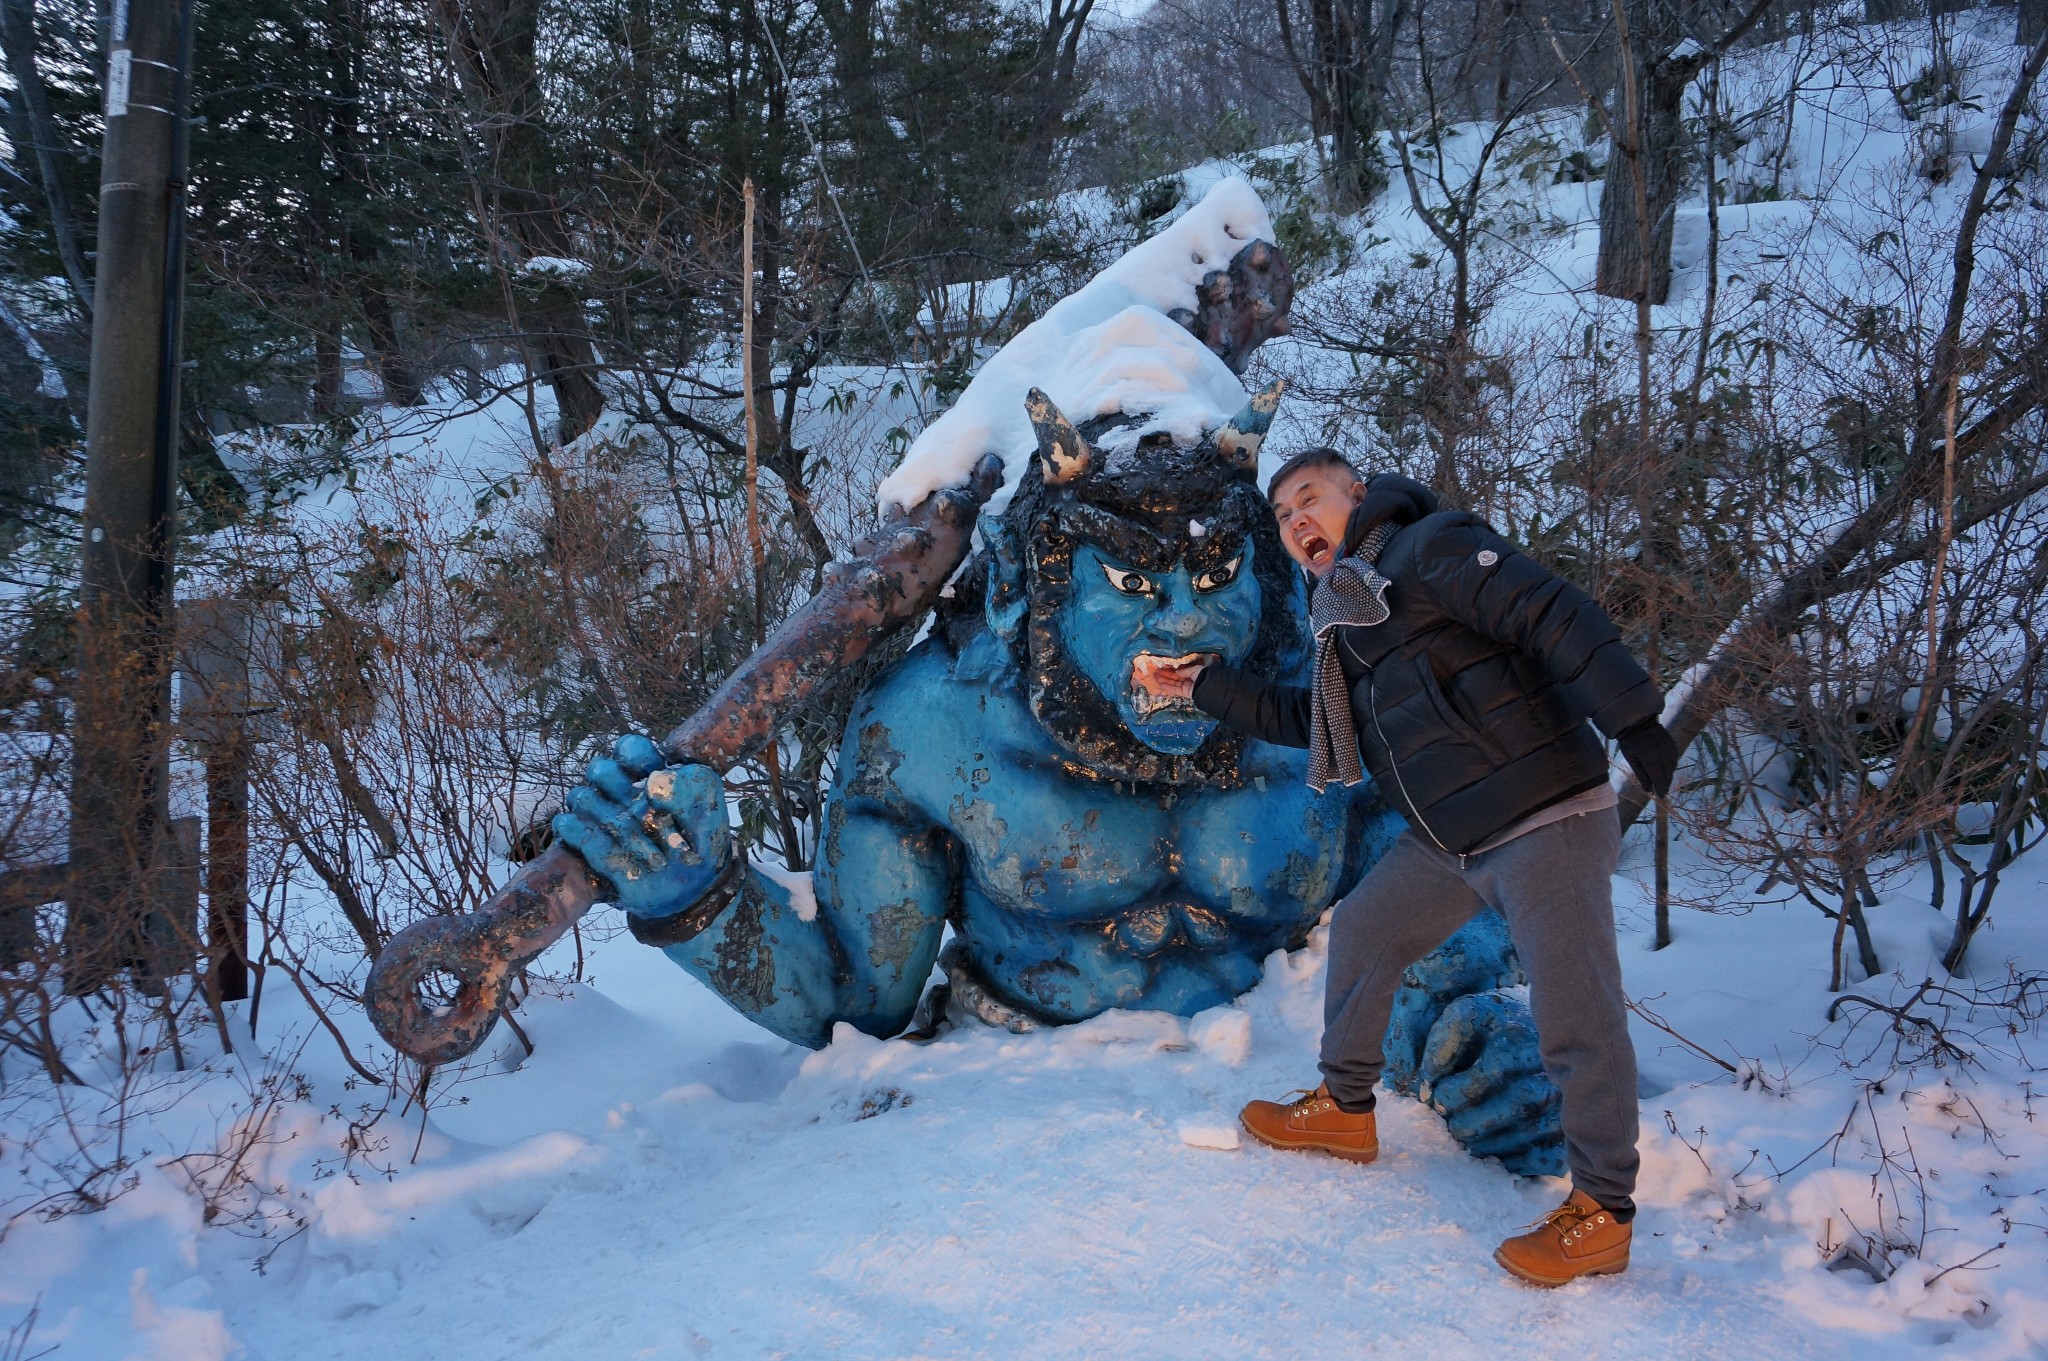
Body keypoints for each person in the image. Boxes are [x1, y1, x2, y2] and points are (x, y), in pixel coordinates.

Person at [1132, 447, 1678, 1288]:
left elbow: (1543, 606)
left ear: (1359, 494)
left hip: (1543, 812)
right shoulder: (1346, 619)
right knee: (1366, 929)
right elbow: (1310, 719)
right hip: (1454, 836)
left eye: (1309, 499)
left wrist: (1635, 715)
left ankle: (1604, 1209)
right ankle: (1345, 1109)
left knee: (1578, 1014)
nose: (1296, 522)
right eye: (1282, 517)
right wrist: (1203, 685)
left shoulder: (1428, 549)